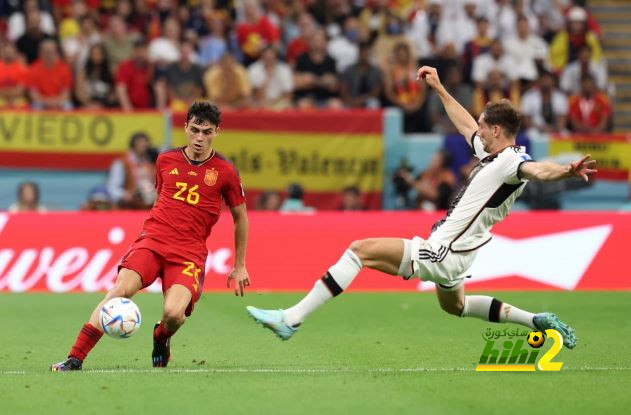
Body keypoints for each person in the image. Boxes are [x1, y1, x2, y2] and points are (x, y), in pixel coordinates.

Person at [246, 66, 597, 350]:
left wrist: (565, 170)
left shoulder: (511, 161)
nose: (477, 130)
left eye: (482, 126)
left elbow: (536, 171)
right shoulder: (493, 153)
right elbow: (463, 124)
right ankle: (534, 319)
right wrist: (441, 89)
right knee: (456, 306)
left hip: (444, 250)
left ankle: (291, 318)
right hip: (461, 252)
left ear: (496, 129)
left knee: (358, 251)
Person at [52, 102, 250, 371]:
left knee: (173, 315)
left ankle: (161, 337)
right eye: (194, 130)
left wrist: (239, 266)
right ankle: (75, 358)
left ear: (217, 132)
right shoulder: (165, 160)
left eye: (207, 132)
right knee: (120, 290)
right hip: (153, 241)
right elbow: (161, 199)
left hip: (188, 253)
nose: (199, 138)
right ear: (186, 128)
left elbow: (241, 218)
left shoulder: (225, 171)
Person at [106, 132, 157, 209]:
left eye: (145, 143)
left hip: (149, 207)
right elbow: (113, 187)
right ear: (133, 145)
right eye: (140, 143)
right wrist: (125, 195)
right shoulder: (121, 163)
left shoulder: (150, 164)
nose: (143, 146)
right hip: (129, 208)